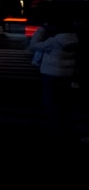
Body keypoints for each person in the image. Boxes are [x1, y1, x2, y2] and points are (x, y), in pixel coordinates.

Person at [27, 9, 80, 145]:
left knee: (51, 103)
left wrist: (41, 30)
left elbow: (33, 46)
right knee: (63, 104)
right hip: (67, 74)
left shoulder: (53, 41)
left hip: (50, 73)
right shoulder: (74, 39)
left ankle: (55, 132)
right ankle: (64, 129)